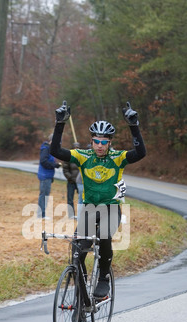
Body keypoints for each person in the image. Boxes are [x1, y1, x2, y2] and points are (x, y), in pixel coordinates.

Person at [50, 100, 146, 298]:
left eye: (104, 142)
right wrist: (60, 123)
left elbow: (140, 153)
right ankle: (82, 290)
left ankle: (103, 278)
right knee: (77, 250)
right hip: (90, 209)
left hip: (111, 209)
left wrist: (133, 126)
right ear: (91, 141)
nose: (100, 146)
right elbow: (56, 152)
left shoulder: (118, 157)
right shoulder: (83, 156)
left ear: (110, 142)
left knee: (103, 237)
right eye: (96, 141)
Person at [37, 133, 60, 219]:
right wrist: (54, 165)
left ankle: (42, 214)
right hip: (44, 175)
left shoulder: (49, 149)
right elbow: (43, 161)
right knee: (43, 195)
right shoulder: (46, 149)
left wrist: (55, 164)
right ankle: (41, 215)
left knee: (46, 195)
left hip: (48, 176)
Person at [62, 142, 80, 218]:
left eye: (78, 148)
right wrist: (70, 177)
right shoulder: (68, 157)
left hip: (80, 182)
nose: (76, 149)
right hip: (71, 181)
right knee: (70, 199)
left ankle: (81, 215)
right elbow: (65, 170)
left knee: (82, 199)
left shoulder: (81, 157)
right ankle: (71, 215)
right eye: (75, 148)